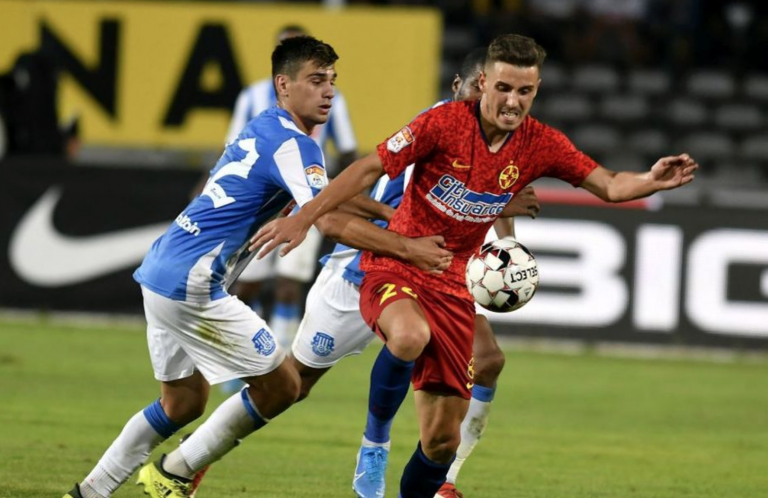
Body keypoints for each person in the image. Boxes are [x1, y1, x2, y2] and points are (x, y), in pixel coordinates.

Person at [251, 33, 698, 498]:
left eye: (524, 91)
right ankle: (374, 445)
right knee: (407, 336)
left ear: (536, 90)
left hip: (453, 284)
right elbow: (367, 169)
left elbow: (609, 184)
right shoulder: (443, 123)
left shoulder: (541, 143)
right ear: (482, 83)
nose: (513, 101)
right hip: (397, 262)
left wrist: (650, 180)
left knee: (442, 442)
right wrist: (307, 215)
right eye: (503, 88)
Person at [62, 35, 451, 498]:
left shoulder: (266, 125)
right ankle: (174, 474)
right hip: (193, 284)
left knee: (181, 403)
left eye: (332, 80)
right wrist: (408, 247)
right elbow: (326, 218)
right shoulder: (298, 146)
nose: (328, 91)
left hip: (161, 269)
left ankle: (89, 493)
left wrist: (388, 213)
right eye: (316, 80)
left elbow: (325, 195)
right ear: (283, 85)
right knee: (283, 386)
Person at [228, 24, 359, 350]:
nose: (326, 89)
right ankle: (246, 351)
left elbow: (347, 152)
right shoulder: (252, 98)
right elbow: (233, 148)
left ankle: (282, 353)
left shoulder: (332, 99)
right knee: (246, 286)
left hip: (307, 199)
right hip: (262, 205)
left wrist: (332, 193)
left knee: (289, 284)